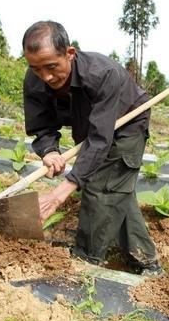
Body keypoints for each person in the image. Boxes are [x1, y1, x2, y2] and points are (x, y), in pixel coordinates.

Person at [21, 20, 161, 275]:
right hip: (90, 127)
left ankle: (85, 262)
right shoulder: (34, 80)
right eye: (36, 69)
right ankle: (146, 260)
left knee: (100, 189)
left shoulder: (103, 74)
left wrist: (61, 191)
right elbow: (42, 126)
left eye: (52, 67)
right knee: (117, 190)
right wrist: (50, 151)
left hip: (127, 123)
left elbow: (100, 139)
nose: (46, 77)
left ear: (70, 54)